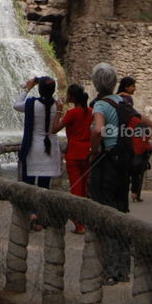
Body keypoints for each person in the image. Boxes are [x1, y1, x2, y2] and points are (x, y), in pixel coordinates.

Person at [89, 62, 152, 285]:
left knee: (104, 216)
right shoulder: (122, 102)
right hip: (123, 167)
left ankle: (109, 270)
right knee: (121, 214)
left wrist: (94, 149)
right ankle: (123, 269)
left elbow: (98, 129)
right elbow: (149, 126)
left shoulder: (100, 105)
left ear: (96, 83)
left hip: (105, 164)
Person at [13, 75, 62, 230]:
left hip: (34, 148)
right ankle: (41, 216)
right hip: (50, 149)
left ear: (39, 89)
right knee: (44, 186)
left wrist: (27, 88)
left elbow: (16, 105)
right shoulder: (58, 105)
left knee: (29, 184)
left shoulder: (31, 104)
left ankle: (32, 213)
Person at [55, 83, 92, 232]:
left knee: (75, 188)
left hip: (74, 154)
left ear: (72, 96)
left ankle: (79, 223)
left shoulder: (72, 113)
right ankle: (85, 219)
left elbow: (54, 129)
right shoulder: (90, 111)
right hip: (87, 152)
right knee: (83, 187)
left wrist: (58, 110)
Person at [119, 75, 152, 203]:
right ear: (126, 87)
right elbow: (151, 126)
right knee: (137, 169)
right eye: (133, 86)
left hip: (123, 136)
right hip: (134, 137)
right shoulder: (127, 99)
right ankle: (135, 193)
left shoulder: (116, 98)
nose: (135, 89)